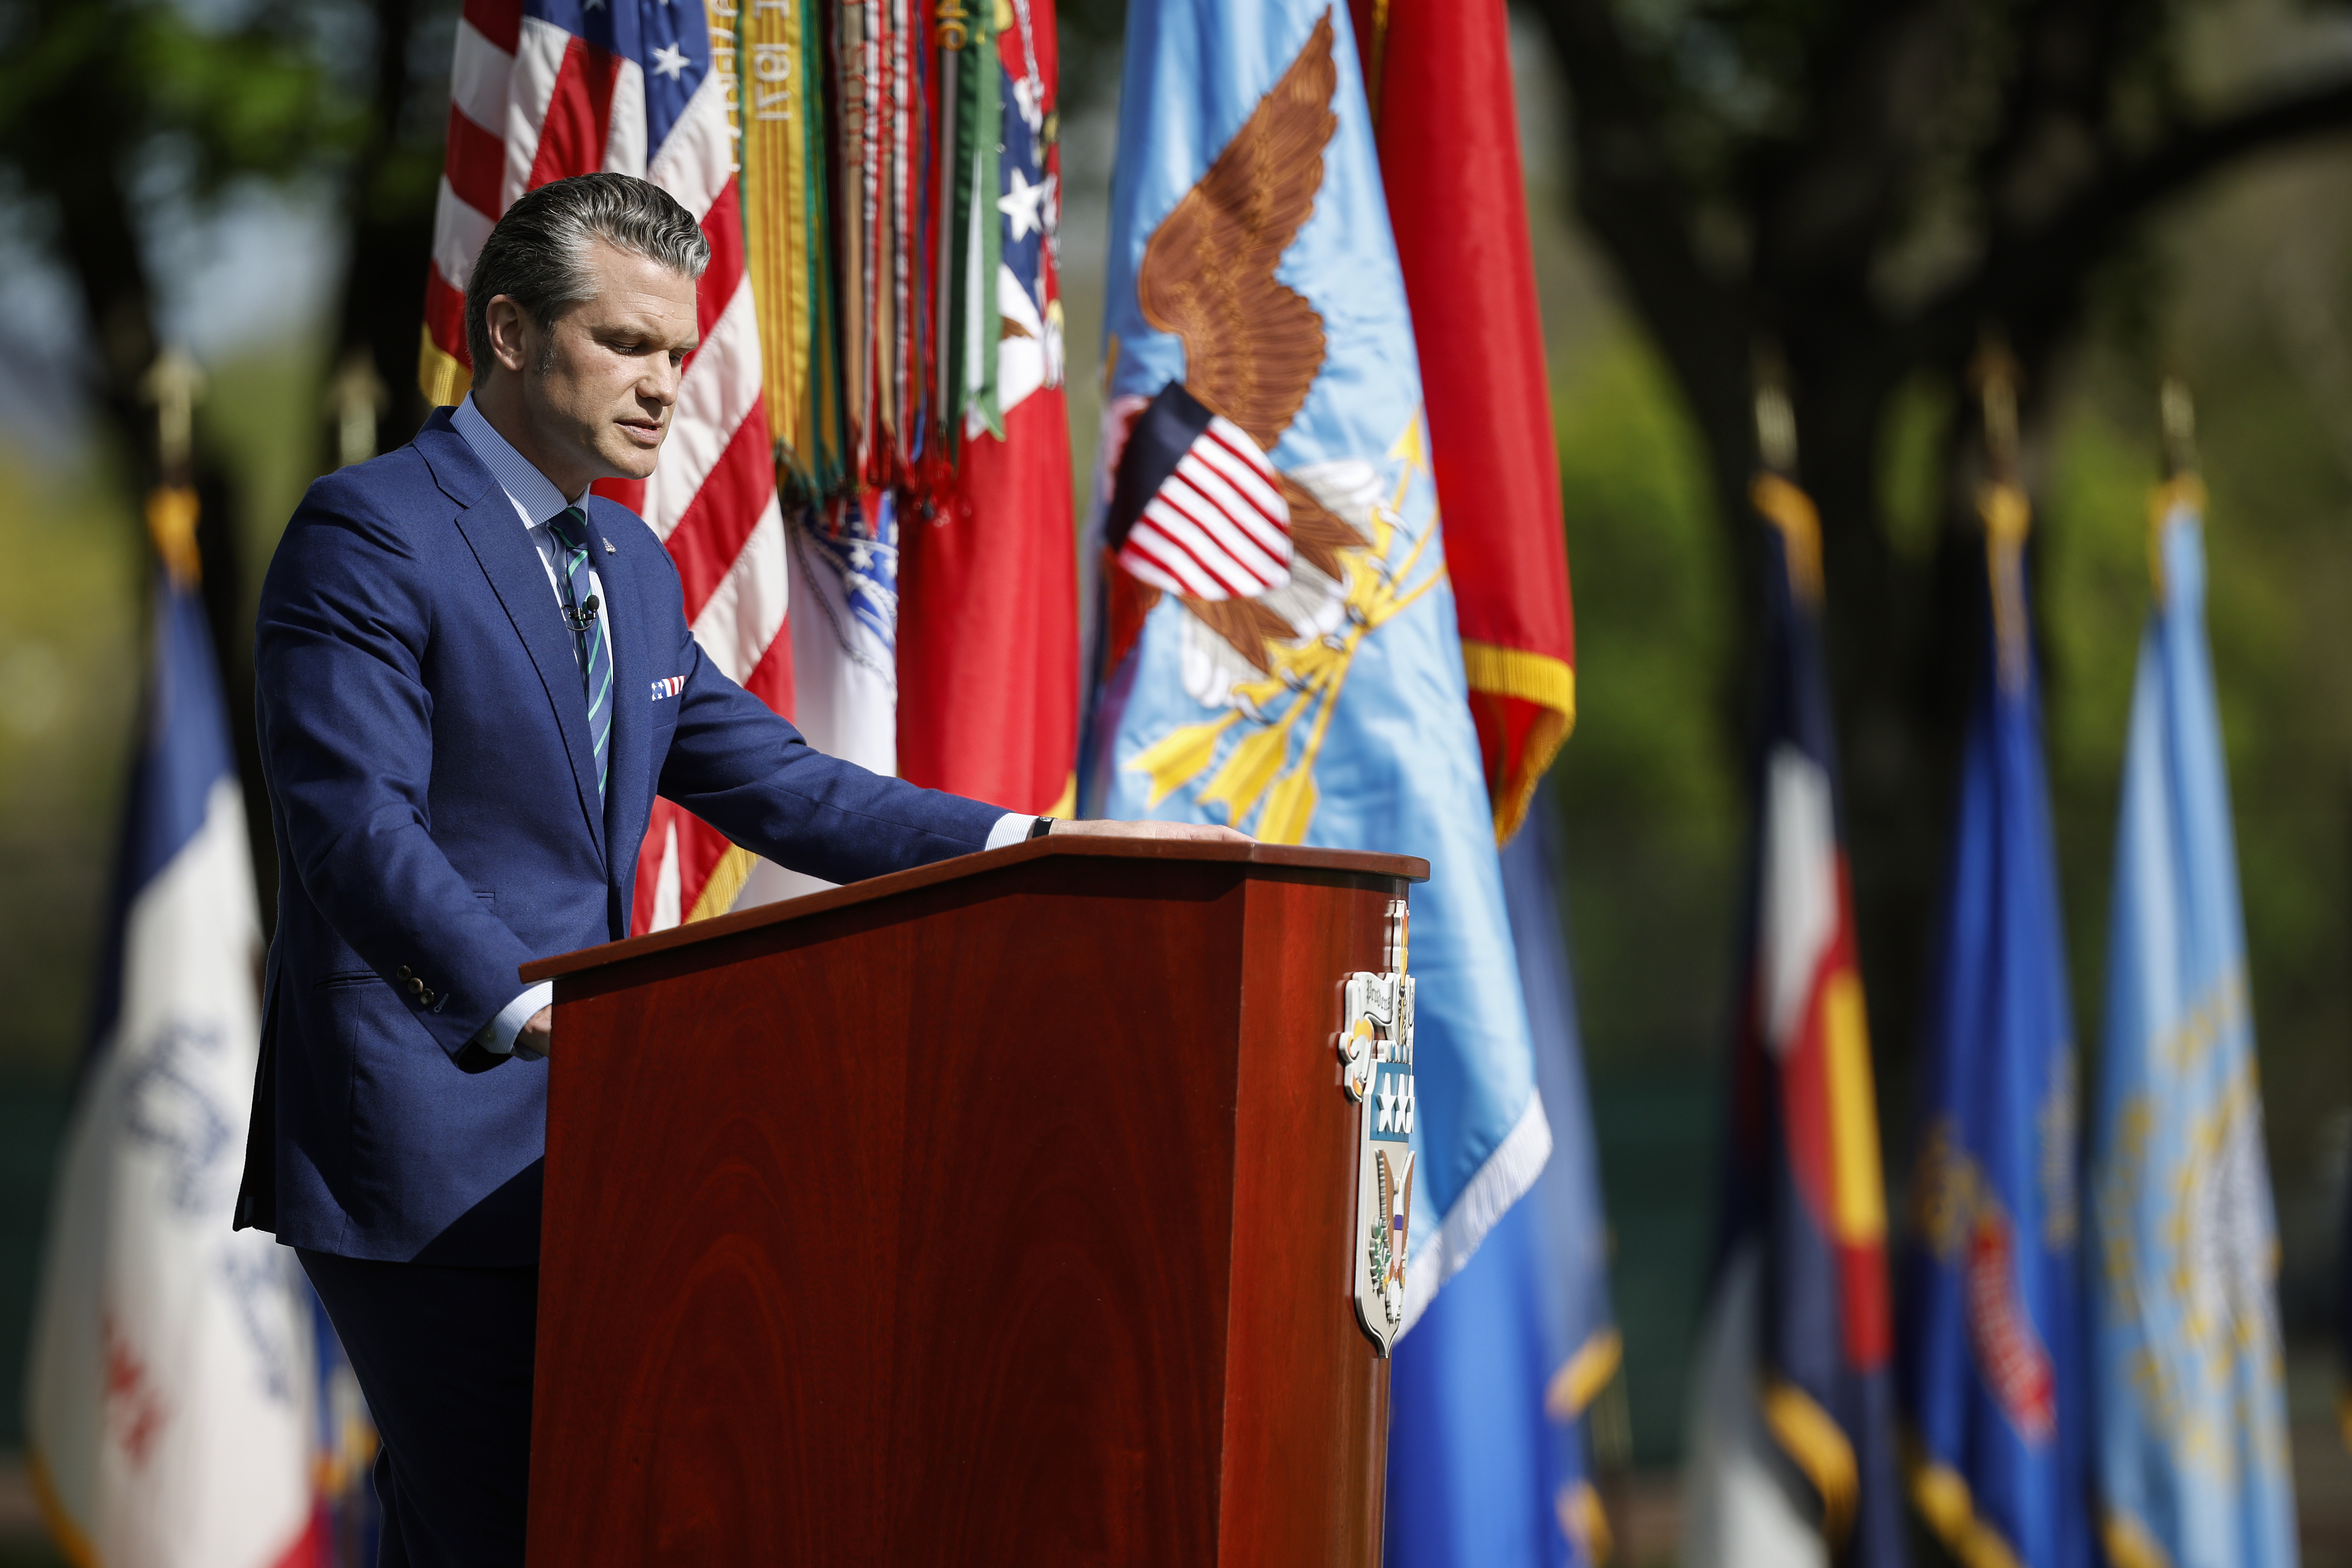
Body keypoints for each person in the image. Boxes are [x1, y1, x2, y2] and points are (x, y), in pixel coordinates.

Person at [233, 172, 1238, 1567]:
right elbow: (356, 826)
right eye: (625, 344)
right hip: (423, 1154)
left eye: (678, 351)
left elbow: (784, 786)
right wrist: (531, 1007)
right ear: (510, 333)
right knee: (523, 1531)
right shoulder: (371, 531)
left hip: (601, 1153)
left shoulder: (629, 563)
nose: (664, 385)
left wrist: (1040, 846)